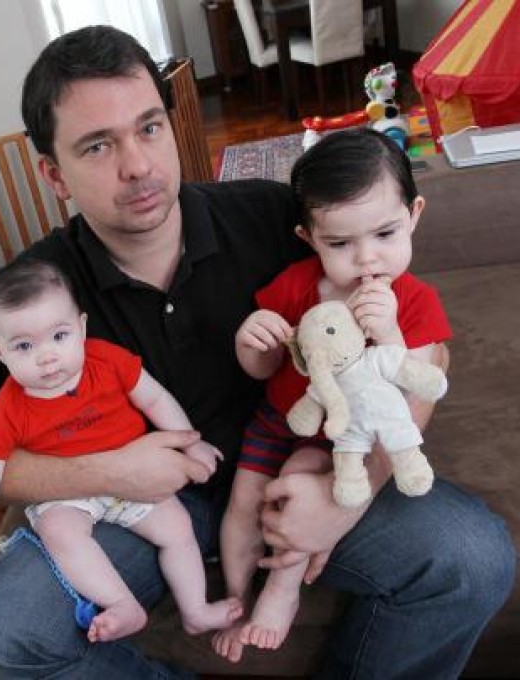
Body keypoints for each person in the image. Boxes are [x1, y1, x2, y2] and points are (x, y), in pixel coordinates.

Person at [0, 25, 515, 679]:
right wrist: (111, 472)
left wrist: (348, 496)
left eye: (149, 128)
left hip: (294, 467)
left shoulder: (271, 217)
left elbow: (426, 357)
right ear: (53, 174)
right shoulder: (35, 291)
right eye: (98, 146)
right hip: (136, 510)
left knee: (472, 555)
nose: (139, 165)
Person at [213, 128, 451, 659]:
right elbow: (262, 368)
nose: (367, 259)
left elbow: (415, 382)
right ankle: (233, 601)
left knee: (297, 477)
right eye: (340, 244)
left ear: (413, 214)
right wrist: (251, 341)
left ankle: (281, 592)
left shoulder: (414, 302)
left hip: (346, 439)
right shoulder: (299, 283)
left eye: (386, 234)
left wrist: (388, 332)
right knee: (243, 502)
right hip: (277, 418)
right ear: (308, 237)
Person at [0, 257, 242, 643]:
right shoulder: (7, 410)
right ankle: (120, 604)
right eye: (24, 345)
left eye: (59, 336)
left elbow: (155, 400)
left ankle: (195, 609)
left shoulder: (106, 359)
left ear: (80, 327)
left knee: (177, 527)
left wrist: (190, 443)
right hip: (66, 494)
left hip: (134, 476)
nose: (47, 357)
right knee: (57, 531)